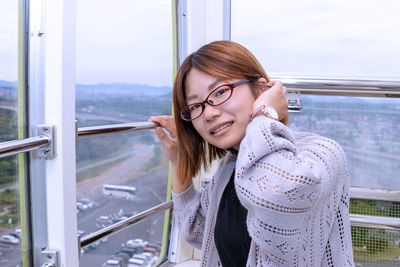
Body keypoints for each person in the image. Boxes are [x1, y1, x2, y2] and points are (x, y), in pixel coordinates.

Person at [149, 40, 354, 266]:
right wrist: (179, 161)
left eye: (220, 92)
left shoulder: (323, 154)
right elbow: (198, 229)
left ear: (262, 89)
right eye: (196, 106)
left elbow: (276, 197)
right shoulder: (229, 168)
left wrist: (264, 114)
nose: (208, 113)